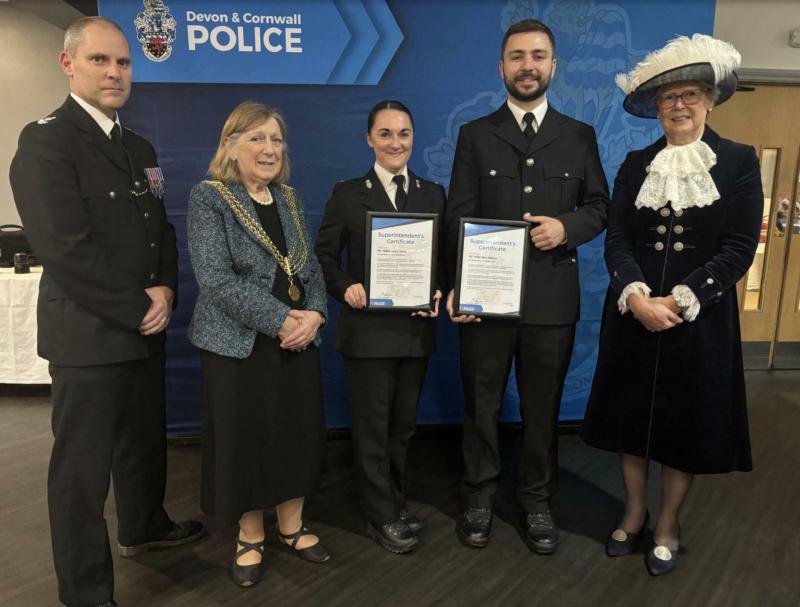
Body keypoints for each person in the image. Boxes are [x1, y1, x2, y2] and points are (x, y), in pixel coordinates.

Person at [9, 17, 203, 607]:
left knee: (143, 443)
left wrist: (165, 289)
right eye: (100, 60)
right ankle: (86, 593)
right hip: (89, 335)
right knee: (82, 473)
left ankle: (143, 525)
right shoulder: (45, 142)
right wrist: (136, 306)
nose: (115, 73)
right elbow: (63, 247)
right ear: (68, 64)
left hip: (145, 326)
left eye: (122, 62)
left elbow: (160, 229)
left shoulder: (138, 147)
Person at [581, 34, 763, 576]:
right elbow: (618, 238)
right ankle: (634, 512)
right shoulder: (636, 163)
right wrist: (635, 294)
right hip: (634, 316)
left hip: (698, 321)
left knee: (683, 427)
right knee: (633, 422)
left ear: (709, 100)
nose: (678, 105)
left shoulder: (738, 161)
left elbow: (739, 248)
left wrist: (685, 300)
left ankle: (667, 523)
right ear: (657, 107)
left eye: (689, 95)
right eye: (668, 97)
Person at [444, 19, 609, 554]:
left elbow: (600, 206)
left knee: (543, 409)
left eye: (538, 55)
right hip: (484, 298)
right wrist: (457, 285)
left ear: (553, 66)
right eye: (517, 56)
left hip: (551, 298)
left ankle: (538, 501)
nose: (528, 65)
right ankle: (478, 497)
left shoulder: (579, 135)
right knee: (481, 405)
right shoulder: (475, 134)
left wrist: (566, 227)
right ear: (501, 67)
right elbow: (459, 215)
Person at [187, 101, 330, 587]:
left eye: (276, 139)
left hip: (297, 338)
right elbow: (216, 279)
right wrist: (281, 321)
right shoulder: (210, 198)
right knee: (244, 439)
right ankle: (250, 535)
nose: (269, 149)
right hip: (239, 343)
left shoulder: (289, 198)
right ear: (230, 146)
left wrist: (316, 315)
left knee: (295, 433)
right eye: (256, 138)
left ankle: (292, 525)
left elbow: (310, 268)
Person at [315, 100, 445, 554]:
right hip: (367, 333)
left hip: (414, 331)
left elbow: (443, 258)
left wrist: (437, 290)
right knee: (372, 429)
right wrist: (345, 286)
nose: (395, 142)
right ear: (369, 139)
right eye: (385, 133)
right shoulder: (348, 194)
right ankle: (379, 513)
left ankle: (394, 500)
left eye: (403, 133)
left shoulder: (433, 194)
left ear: (413, 138)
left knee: (402, 428)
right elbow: (323, 256)